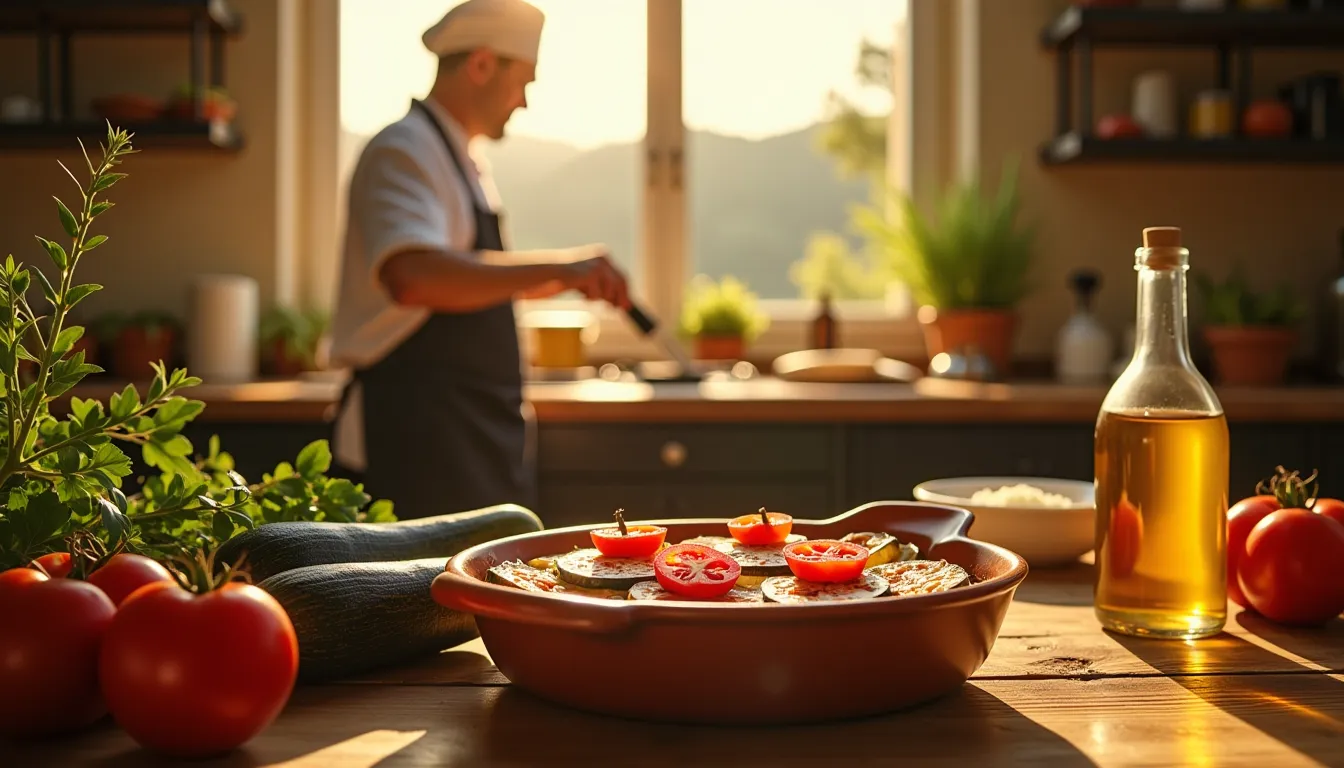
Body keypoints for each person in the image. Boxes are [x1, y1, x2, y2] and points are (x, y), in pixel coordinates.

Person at [328, 0, 632, 519]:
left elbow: (475, 279)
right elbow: (414, 277)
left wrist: (567, 279)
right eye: (525, 81)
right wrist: (563, 266)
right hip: (414, 435)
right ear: (483, 64)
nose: (525, 102)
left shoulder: (464, 161)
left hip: (468, 432)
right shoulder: (402, 150)